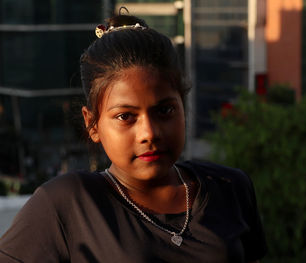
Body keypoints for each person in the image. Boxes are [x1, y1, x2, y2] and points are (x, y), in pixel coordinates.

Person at [0, 11, 267, 263]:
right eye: (125, 116)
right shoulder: (66, 205)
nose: (149, 133)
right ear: (92, 124)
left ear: (183, 107)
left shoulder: (230, 187)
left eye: (164, 110)